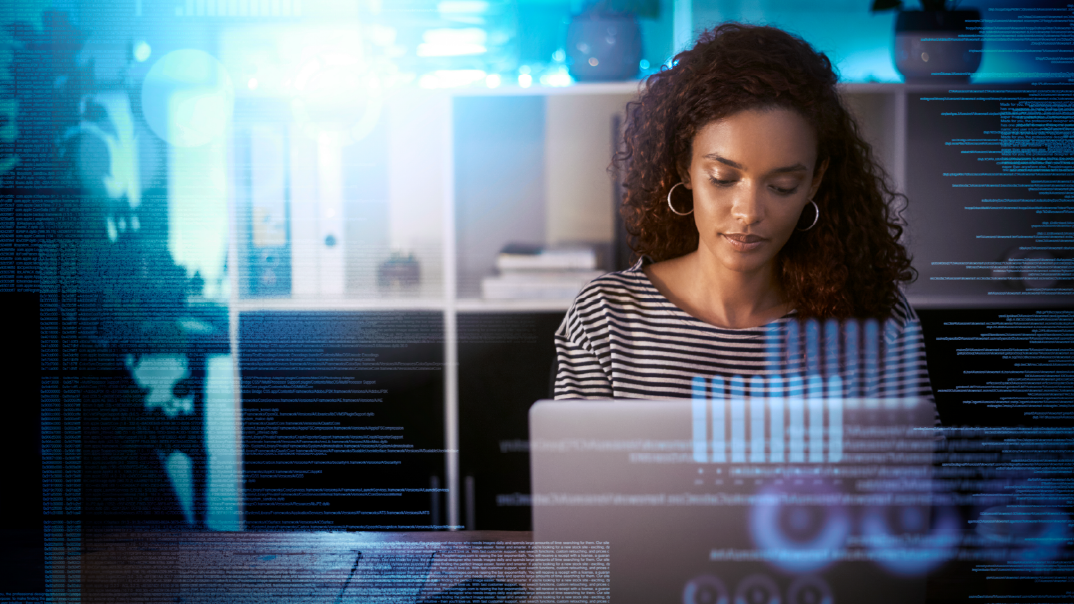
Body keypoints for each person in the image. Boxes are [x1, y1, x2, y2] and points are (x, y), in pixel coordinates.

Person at [554, 23, 934, 402]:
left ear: (814, 183)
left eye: (783, 186)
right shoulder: (604, 318)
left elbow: (917, 461)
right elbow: (575, 463)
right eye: (722, 178)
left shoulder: (876, 317)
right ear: (684, 168)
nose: (749, 212)